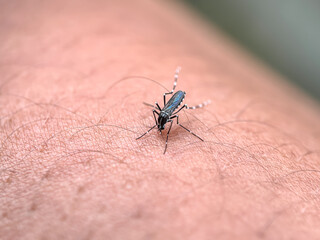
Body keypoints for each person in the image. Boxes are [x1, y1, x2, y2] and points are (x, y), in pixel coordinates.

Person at [1, 0, 319, 239]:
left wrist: (168, 128)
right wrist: (153, 129)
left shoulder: (171, 117)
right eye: (160, 123)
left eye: (161, 124)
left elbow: (170, 117)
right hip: (172, 101)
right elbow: (158, 114)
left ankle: (192, 97)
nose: (160, 124)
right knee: (165, 100)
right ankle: (180, 86)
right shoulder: (159, 114)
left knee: (183, 113)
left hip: (179, 104)